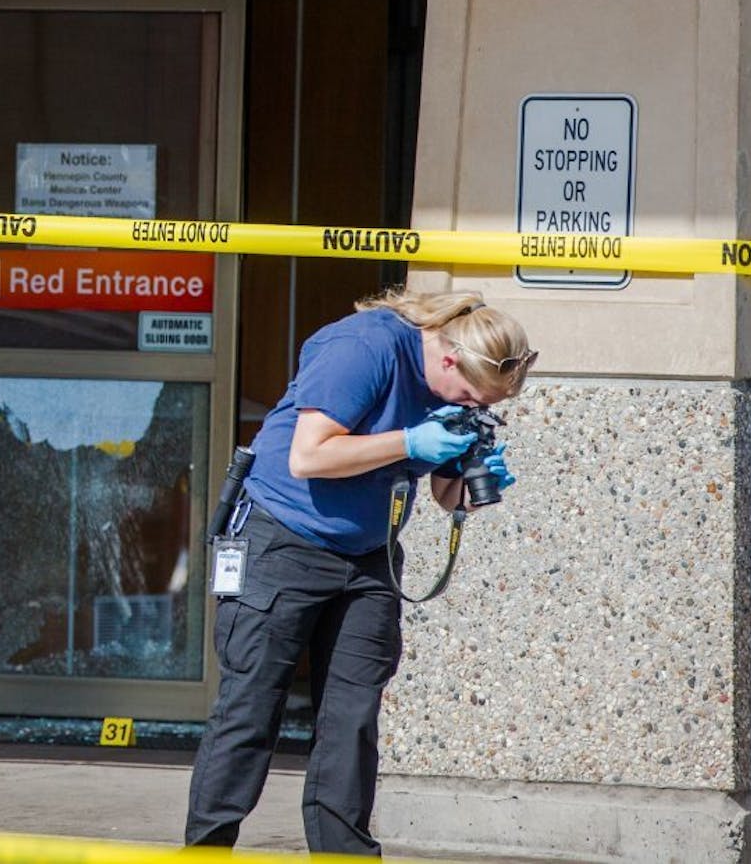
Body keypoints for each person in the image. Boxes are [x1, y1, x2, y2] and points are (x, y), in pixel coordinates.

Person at [185, 289, 535, 856]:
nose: (472, 407)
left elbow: (445, 494)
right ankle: (205, 849)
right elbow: (309, 457)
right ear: (450, 359)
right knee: (250, 710)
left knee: (351, 721)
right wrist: (410, 439)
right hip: (282, 539)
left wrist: (469, 484)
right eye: (471, 396)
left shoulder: (453, 389)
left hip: (367, 556)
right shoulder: (364, 348)